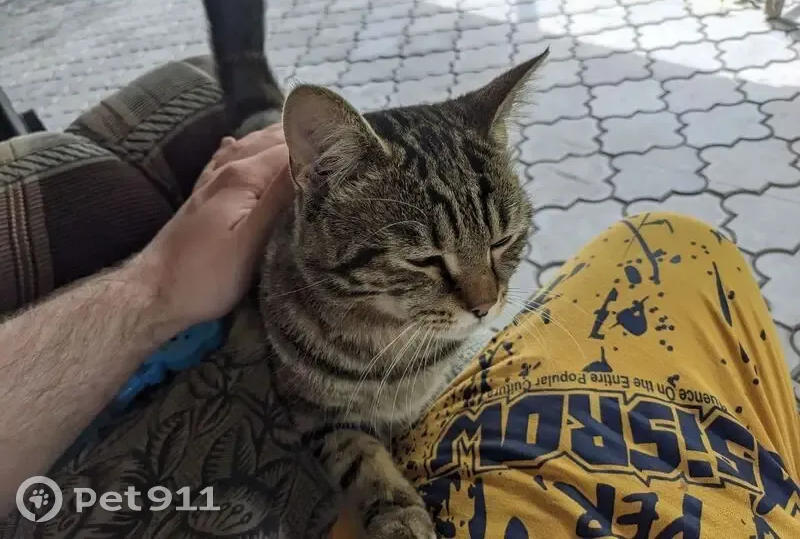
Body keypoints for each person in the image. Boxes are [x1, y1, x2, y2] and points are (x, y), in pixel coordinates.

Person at [0, 56, 798, 538]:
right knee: (672, 245)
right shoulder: (296, 310)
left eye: (504, 246)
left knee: (671, 241)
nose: (484, 297)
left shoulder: (459, 284)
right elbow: (321, 419)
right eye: (428, 263)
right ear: (323, 188)